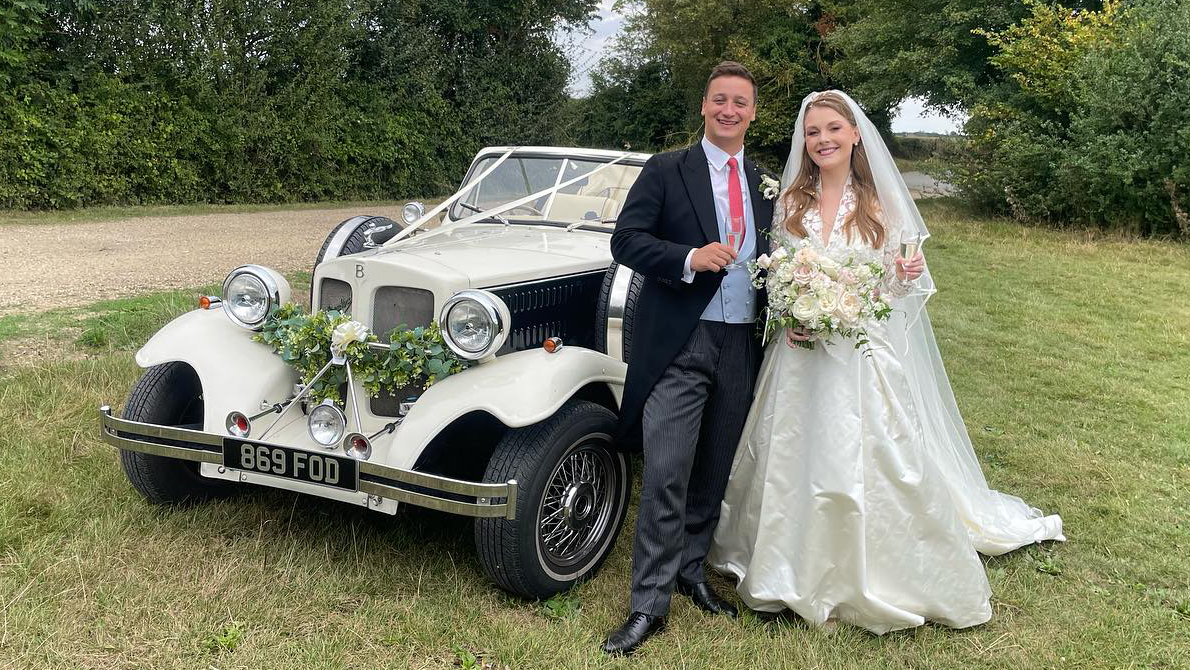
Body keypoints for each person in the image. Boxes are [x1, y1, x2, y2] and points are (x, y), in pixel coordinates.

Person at [708, 90, 1065, 634]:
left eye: (832, 129)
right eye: (812, 132)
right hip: (799, 353)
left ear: (855, 135)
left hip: (860, 355)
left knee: (874, 455)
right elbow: (776, 272)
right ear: (803, 143)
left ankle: (875, 567)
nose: (822, 140)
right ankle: (783, 560)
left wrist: (905, 270)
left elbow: (896, 287)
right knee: (788, 453)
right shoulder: (789, 203)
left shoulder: (880, 205)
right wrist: (791, 309)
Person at [602, 61, 775, 656]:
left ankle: (691, 570)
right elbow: (625, 240)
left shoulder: (763, 182)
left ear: (754, 113)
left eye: (741, 102)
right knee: (668, 470)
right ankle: (648, 603)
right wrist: (687, 257)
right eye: (720, 99)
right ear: (704, 106)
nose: (730, 110)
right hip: (681, 340)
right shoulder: (667, 169)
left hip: (742, 342)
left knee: (713, 467)